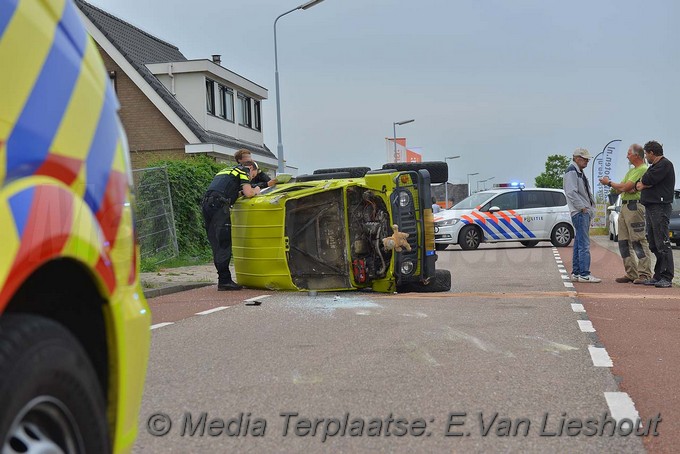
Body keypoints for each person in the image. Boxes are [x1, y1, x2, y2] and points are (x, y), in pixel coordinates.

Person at [599, 144, 652, 284]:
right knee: (623, 242)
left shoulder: (642, 170)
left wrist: (610, 183)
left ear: (636, 155)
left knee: (638, 241)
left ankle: (645, 273)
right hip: (625, 207)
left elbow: (623, 187)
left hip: (634, 207)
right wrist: (624, 187)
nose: (626, 156)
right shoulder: (632, 171)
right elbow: (620, 189)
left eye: (629, 153)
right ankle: (631, 272)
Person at [202, 162, 260, 290]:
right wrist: (255, 190)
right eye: (253, 175)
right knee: (224, 242)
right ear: (251, 168)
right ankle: (224, 281)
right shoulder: (243, 171)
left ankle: (223, 278)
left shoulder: (226, 171)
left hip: (207, 205)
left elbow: (228, 192)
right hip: (219, 207)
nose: (251, 178)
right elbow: (249, 193)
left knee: (216, 243)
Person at [635, 140, 675, 288]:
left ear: (652, 153)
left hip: (660, 207)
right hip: (651, 207)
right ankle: (658, 275)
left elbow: (646, 179)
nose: (645, 156)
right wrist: (645, 183)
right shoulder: (655, 166)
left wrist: (645, 183)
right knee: (653, 242)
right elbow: (643, 181)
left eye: (646, 153)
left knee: (662, 242)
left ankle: (667, 276)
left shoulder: (665, 165)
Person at [564, 148, 601, 283]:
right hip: (580, 212)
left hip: (580, 212)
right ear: (577, 158)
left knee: (579, 243)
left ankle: (577, 273)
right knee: (584, 244)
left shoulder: (577, 172)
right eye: (585, 159)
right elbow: (571, 192)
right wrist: (583, 208)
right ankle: (584, 273)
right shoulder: (572, 171)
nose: (587, 161)